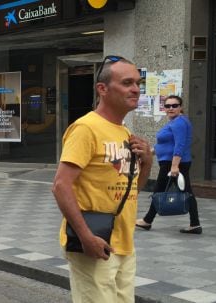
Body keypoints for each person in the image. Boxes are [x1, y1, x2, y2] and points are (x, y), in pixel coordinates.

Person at [52, 56, 153, 303]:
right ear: (103, 89)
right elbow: (60, 185)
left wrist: (147, 162)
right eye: (127, 82)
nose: (136, 89)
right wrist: (86, 237)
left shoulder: (126, 132)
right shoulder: (86, 128)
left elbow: (131, 192)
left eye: (138, 83)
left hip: (124, 243)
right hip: (95, 242)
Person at [136, 95, 201, 234]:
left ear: (180, 107)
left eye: (174, 105)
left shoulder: (179, 123)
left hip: (174, 164)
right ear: (164, 108)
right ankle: (195, 224)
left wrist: (174, 166)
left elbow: (180, 145)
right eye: (167, 106)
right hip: (172, 163)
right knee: (185, 192)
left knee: (160, 190)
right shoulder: (174, 121)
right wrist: (149, 154)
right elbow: (164, 144)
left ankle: (147, 220)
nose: (171, 108)